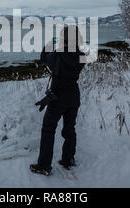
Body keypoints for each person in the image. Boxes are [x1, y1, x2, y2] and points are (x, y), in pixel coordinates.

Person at [30, 25, 85, 176]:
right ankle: (68, 159)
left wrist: (49, 45)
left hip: (58, 95)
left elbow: (43, 58)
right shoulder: (82, 56)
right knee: (69, 128)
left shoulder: (57, 55)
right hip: (74, 95)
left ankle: (44, 165)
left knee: (48, 129)